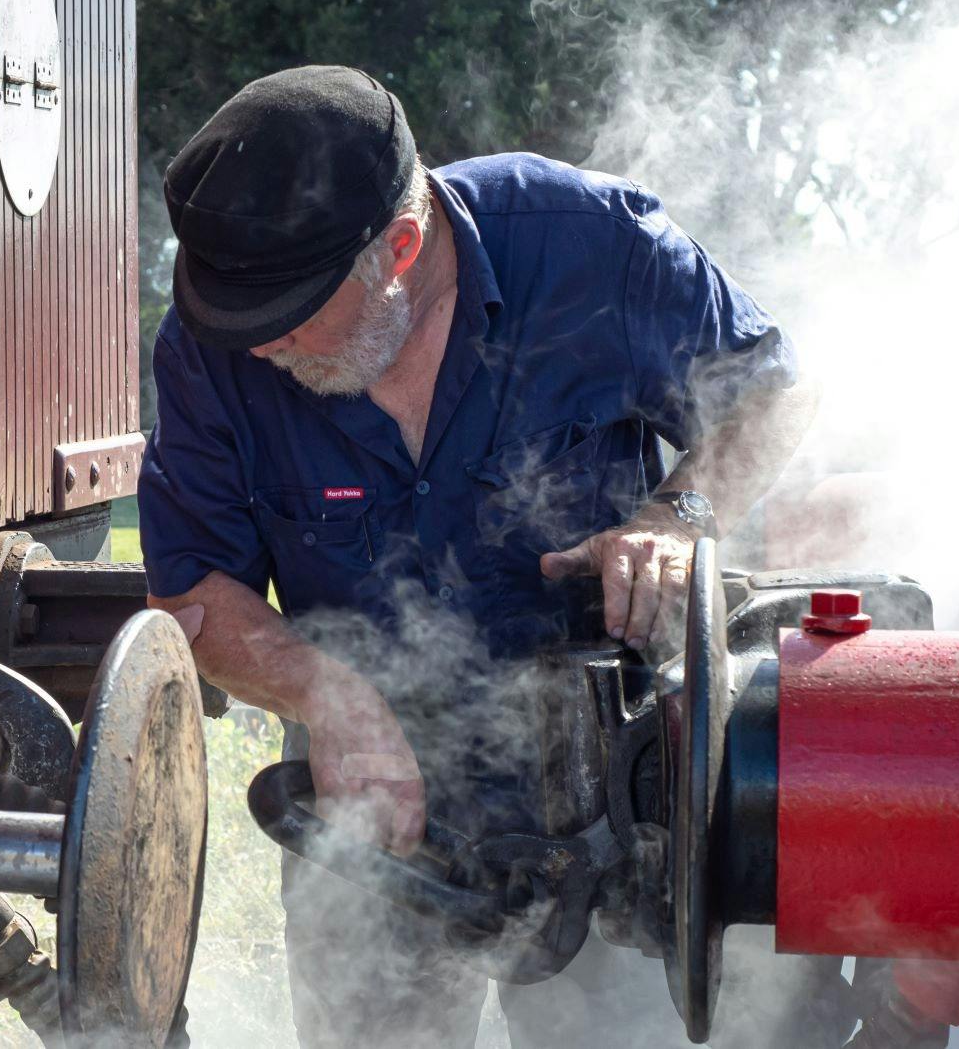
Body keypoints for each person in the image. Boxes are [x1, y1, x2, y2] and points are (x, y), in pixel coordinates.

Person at [140, 65, 816, 1048]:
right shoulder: (211, 346)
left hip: (616, 774)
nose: (258, 349)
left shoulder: (585, 242)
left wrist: (678, 518)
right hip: (372, 794)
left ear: (400, 249)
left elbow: (774, 391)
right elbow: (195, 588)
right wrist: (326, 696)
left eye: (285, 321)